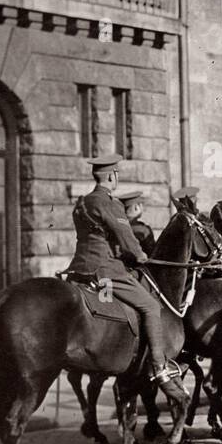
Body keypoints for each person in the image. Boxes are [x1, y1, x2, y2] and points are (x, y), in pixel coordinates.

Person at [67, 155, 185, 391]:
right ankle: (159, 365)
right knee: (151, 307)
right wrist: (140, 255)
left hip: (78, 268)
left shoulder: (83, 202)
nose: (116, 178)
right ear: (111, 176)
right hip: (104, 269)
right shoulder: (109, 202)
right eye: (117, 174)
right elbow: (126, 236)